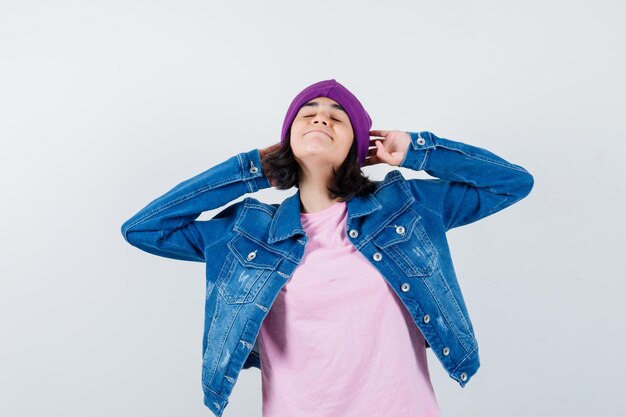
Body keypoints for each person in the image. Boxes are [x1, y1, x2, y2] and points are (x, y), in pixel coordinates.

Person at [120, 79, 534, 417]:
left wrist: (417, 150)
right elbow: (144, 229)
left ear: (357, 148)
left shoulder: (406, 208)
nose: (321, 118)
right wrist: (249, 171)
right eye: (309, 114)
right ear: (288, 139)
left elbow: (512, 183)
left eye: (337, 118)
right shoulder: (246, 235)